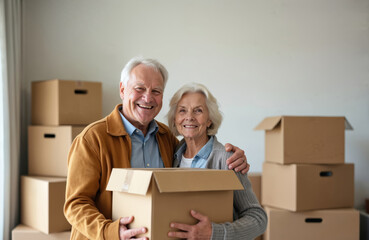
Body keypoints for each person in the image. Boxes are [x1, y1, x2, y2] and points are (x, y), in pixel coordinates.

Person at [64, 57, 250, 240]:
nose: (147, 97)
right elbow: (75, 205)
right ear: (122, 89)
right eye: (139, 88)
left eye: (156, 91)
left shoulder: (167, 138)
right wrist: (111, 232)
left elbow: (196, 152)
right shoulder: (92, 139)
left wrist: (235, 157)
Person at [166, 82, 267, 240]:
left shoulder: (227, 159)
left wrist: (215, 233)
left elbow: (258, 219)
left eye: (198, 110)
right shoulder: (171, 155)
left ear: (209, 120)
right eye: (182, 110)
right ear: (175, 119)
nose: (189, 117)